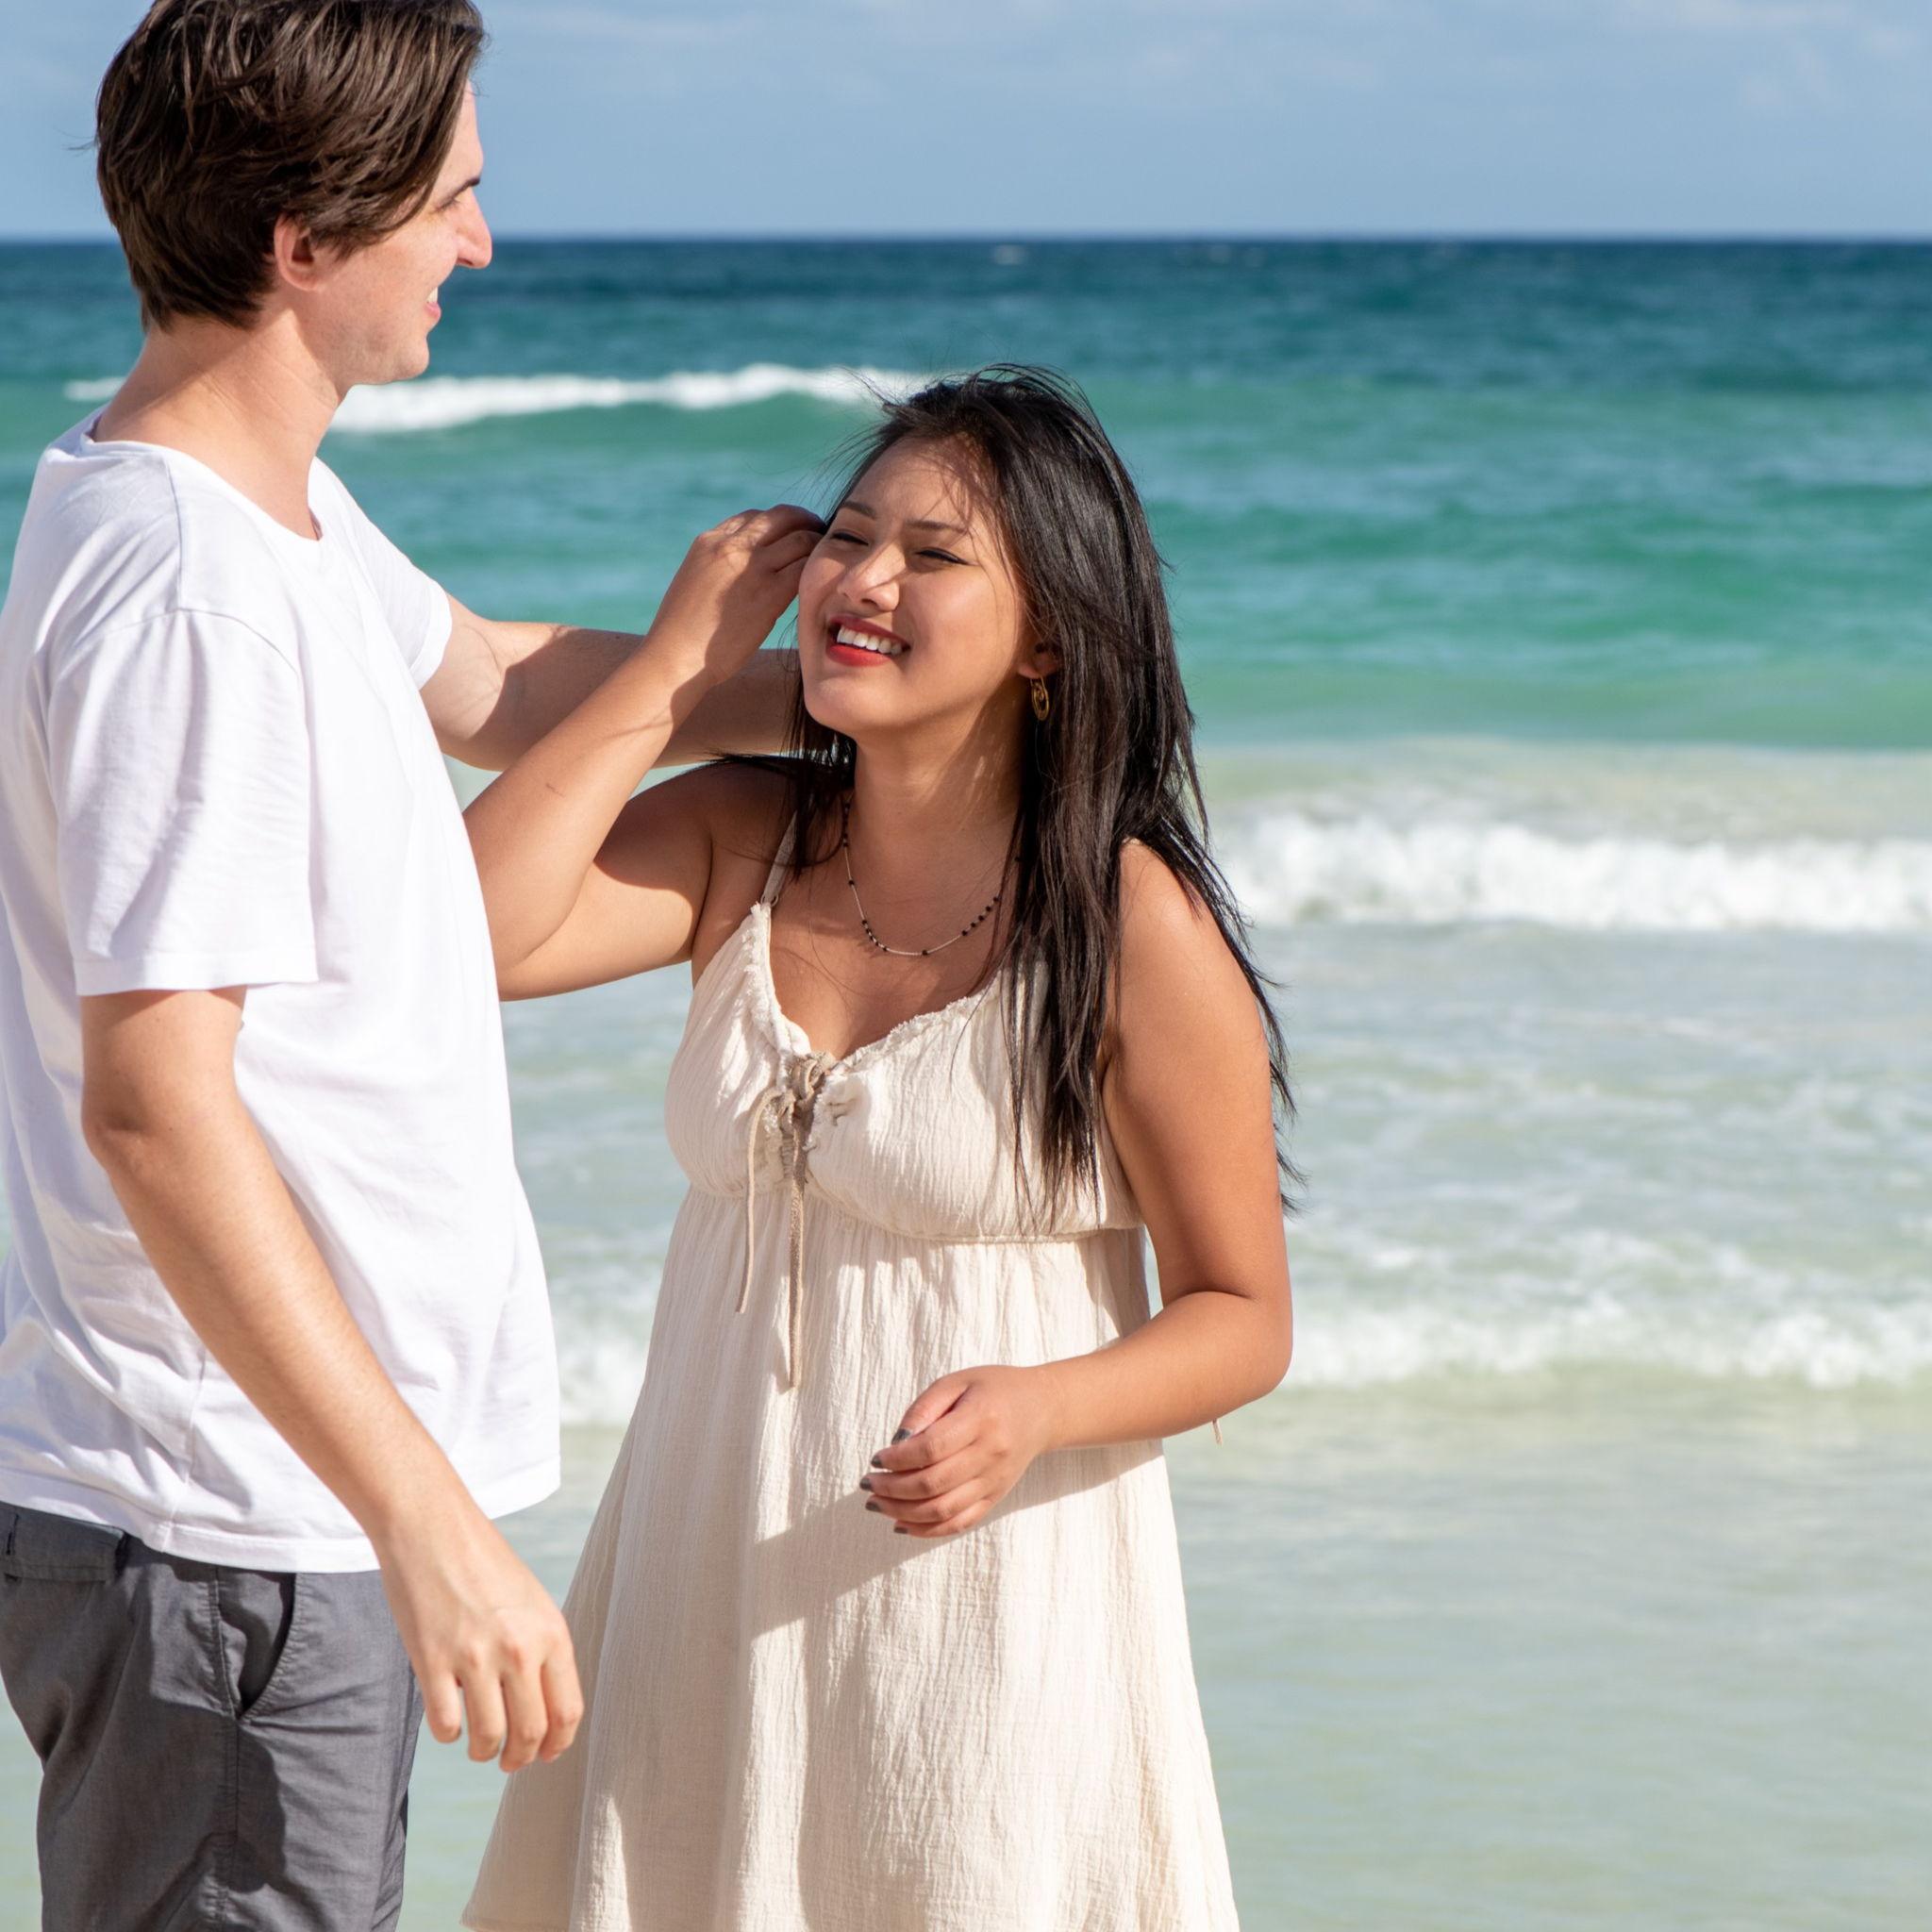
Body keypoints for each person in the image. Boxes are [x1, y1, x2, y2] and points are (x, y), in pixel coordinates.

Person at [0, 5, 802, 1925]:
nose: (480, 245)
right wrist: (421, 1518)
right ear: (305, 242)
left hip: (248, 1524)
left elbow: (500, 686)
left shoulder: (255, 514)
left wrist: (858, 697)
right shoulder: (192, 596)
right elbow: (155, 1105)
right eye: (450, 201)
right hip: (229, 1530)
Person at [457, 367, 1295, 1930]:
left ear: (1049, 639)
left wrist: (1042, 1407)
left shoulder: (1128, 928)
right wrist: (668, 673)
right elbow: (457, 939)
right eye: (849, 536)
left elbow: (1245, 1316)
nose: (866, 580)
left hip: (979, 1616)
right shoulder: (737, 838)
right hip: (701, 1578)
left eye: (935, 553)